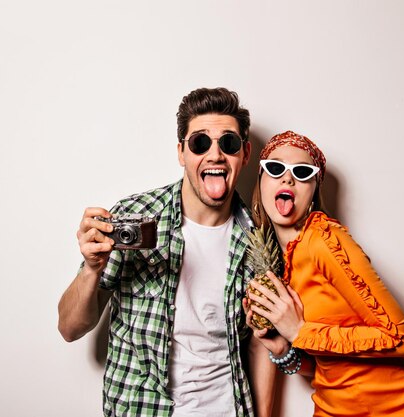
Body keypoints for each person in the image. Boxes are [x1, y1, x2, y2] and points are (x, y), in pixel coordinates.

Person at [58, 87, 272, 417]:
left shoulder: (258, 243)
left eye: (227, 143)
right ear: (181, 152)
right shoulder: (134, 218)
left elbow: (260, 344)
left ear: (244, 154)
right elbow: (70, 328)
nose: (215, 154)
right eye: (200, 143)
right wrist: (91, 268)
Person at [244, 131, 404, 416]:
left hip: (395, 408)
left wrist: (300, 331)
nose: (287, 178)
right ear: (260, 181)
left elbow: (401, 337)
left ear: (314, 189)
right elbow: (329, 362)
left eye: (301, 172)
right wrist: (282, 348)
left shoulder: (325, 240)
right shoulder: (284, 265)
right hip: (334, 407)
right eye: (275, 168)